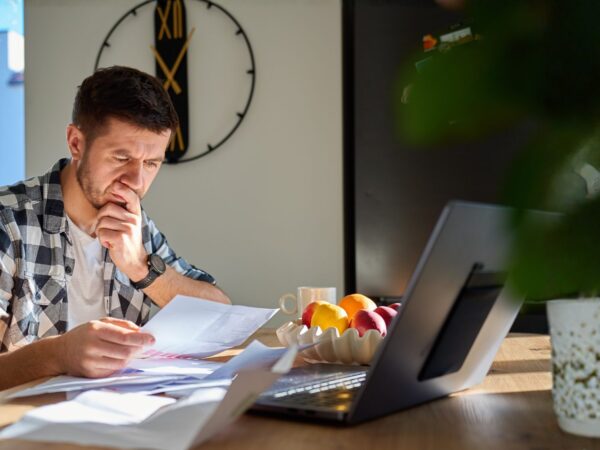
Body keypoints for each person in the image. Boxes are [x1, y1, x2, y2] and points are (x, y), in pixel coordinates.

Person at [0, 66, 230, 390]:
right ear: (76, 143)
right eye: (122, 158)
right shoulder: (7, 222)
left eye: (151, 164)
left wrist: (141, 268)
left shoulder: (133, 223)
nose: (136, 182)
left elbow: (221, 314)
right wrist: (60, 354)